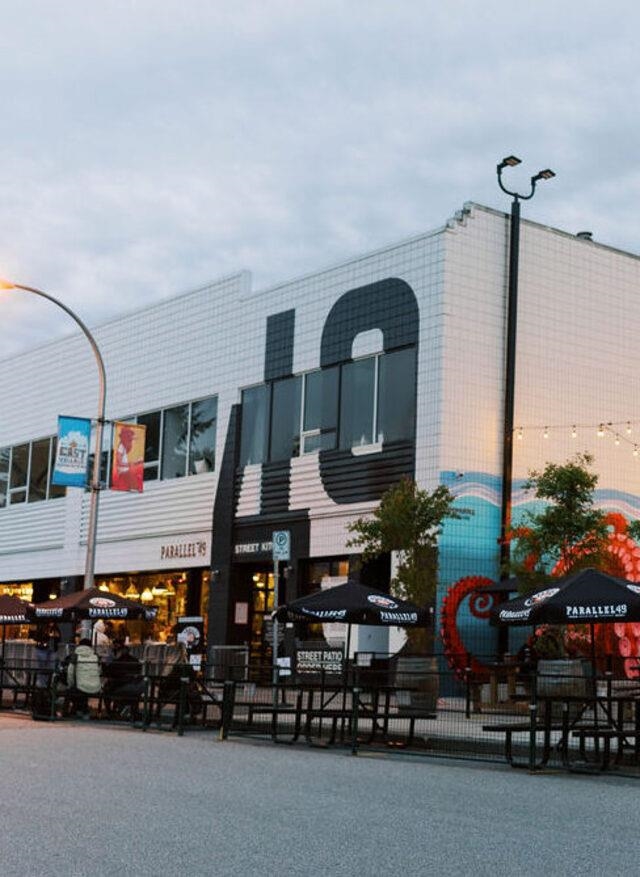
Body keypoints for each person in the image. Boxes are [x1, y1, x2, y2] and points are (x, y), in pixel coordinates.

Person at [102, 640, 144, 720]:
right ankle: (131, 711)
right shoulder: (135, 661)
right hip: (135, 687)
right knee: (131, 693)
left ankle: (110, 712)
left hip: (122, 687)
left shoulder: (117, 662)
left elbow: (107, 672)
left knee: (107, 691)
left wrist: (104, 664)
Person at [63, 638, 102, 718]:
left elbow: (70, 672)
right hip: (96, 688)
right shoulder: (96, 657)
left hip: (81, 687)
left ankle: (66, 713)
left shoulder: (75, 656)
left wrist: (70, 684)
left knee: (70, 691)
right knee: (81, 690)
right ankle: (82, 710)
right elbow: (99, 671)